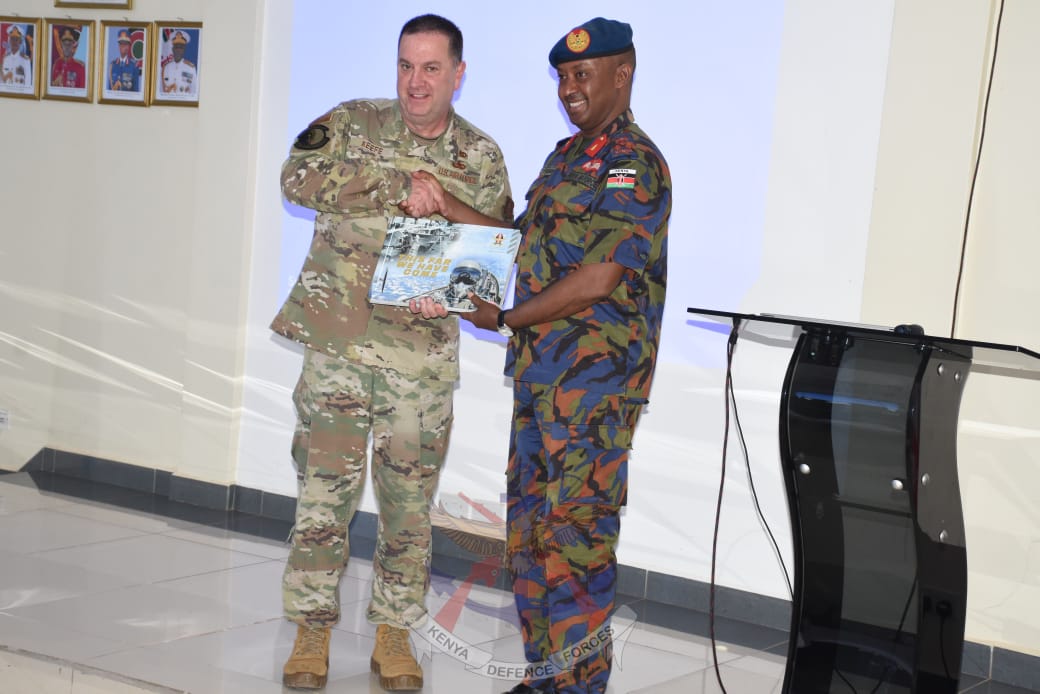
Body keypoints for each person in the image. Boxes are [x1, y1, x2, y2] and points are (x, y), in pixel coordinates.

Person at [409, 16, 671, 694]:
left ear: (623, 74)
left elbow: (600, 277)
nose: (570, 88)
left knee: (577, 545)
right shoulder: (564, 158)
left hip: (595, 392)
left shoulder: (633, 164)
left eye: (583, 74)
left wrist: (506, 318)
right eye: (562, 76)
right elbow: (519, 240)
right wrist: (449, 207)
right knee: (529, 542)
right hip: (539, 381)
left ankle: (579, 687)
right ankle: (545, 678)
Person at [271, 13, 512, 692]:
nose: (415, 82)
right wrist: (393, 187)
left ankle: (394, 635)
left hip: (421, 361)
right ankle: (312, 630)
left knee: (409, 509)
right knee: (323, 499)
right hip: (338, 349)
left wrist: (459, 296)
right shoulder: (351, 123)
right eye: (406, 66)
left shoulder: (482, 158)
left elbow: (491, 248)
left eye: (431, 68)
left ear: (458, 76)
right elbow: (295, 179)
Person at [161, 30, 196, 94]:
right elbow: (161, 90)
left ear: (184, 50)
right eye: (176, 47)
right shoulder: (166, 67)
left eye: (181, 47)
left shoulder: (190, 68)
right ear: (172, 49)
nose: (178, 50)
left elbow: (194, 91)